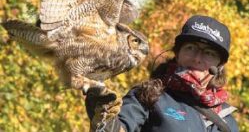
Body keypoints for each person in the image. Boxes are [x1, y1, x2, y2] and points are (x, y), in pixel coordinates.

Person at [85, 15, 239, 132]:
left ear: (219, 65)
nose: (197, 58)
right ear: (177, 54)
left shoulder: (227, 119)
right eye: (191, 48)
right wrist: (106, 119)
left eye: (209, 53)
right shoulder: (149, 95)